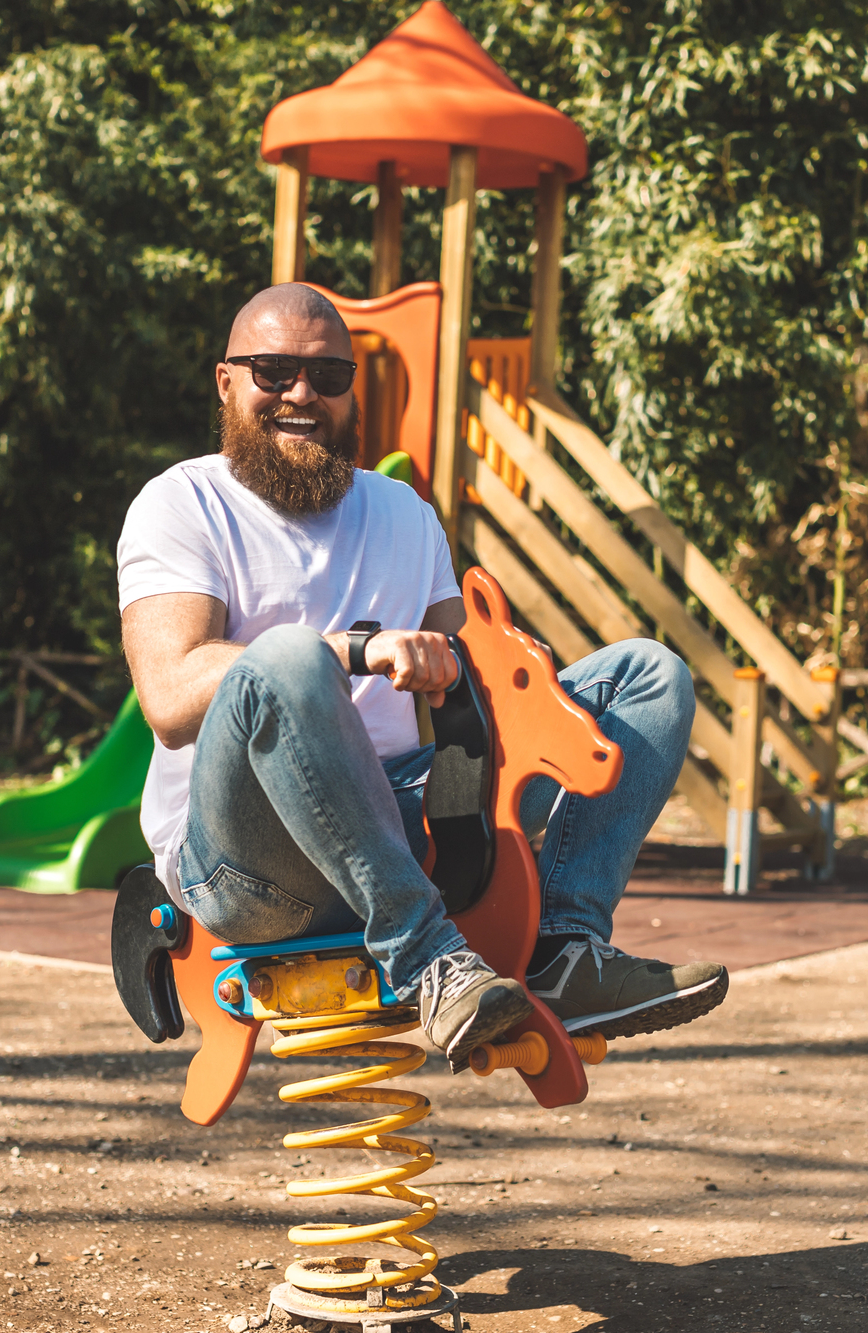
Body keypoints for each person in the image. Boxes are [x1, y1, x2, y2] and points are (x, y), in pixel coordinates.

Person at [116, 283, 727, 1066]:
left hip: (404, 809)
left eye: (328, 377)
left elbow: (469, 683)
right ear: (227, 381)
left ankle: (564, 951)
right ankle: (429, 959)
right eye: (273, 372)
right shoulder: (182, 504)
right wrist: (353, 649)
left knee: (649, 676)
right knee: (290, 656)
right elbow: (169, 695)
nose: (302, 394)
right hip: (244, 857)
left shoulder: (402, 511)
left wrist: (508, 678)